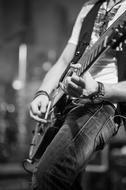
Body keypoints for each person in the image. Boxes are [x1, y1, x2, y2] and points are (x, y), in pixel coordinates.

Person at [29, 0, 126, 189]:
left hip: (102, 105)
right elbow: (65, 59)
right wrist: (43, 92)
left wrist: (98, 89)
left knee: (49, 176)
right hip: (66, 103)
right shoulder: (89, 7)